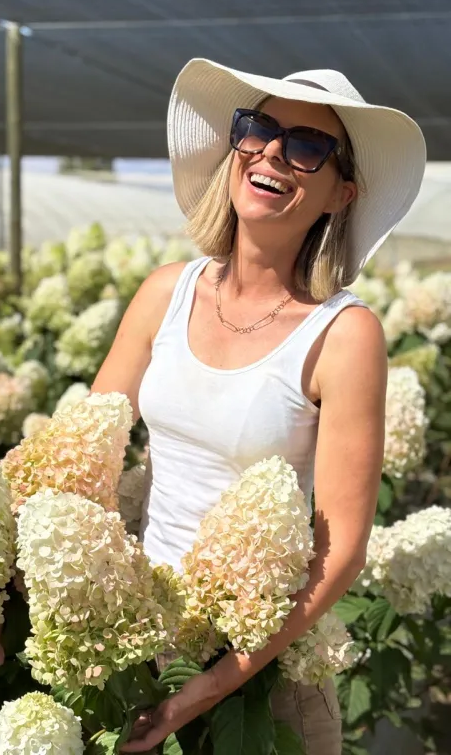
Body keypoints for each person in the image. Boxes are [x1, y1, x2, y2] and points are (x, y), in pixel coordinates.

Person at [90, 59, 426, 754]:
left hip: (265, 672)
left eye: (306, 146)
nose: (273, 151)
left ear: (341, 194)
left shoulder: (343, 334)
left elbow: (341, 552)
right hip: (144, 645)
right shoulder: (164, 292)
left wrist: (207, 688)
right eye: (260, 129)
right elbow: (85, 451)